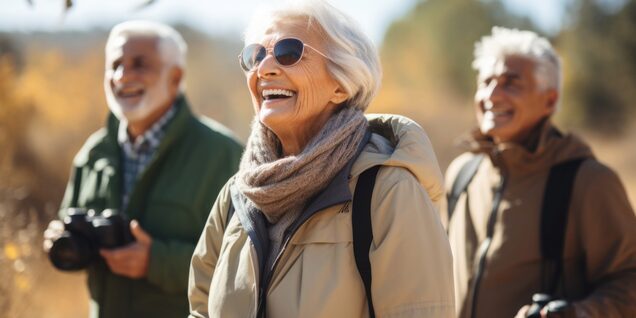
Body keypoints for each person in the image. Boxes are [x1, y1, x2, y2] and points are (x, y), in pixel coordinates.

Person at [188, 1, 455, 317]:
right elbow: (201, 309)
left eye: (289, 52)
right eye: (255, 55)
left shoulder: (388, 191)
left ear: (341, 86)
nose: (264, 68)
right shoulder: (236, 196)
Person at [42, 21, 243, 318]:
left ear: (175, 78)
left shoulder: (224, 155)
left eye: (139, 65)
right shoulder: (92, 155)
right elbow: (66, 232)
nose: (123, 76)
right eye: (115, 65)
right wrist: (60, 242)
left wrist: (156, 261)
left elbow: (244, 266)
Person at [446, 26, 636, 318]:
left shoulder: (589, 181)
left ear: (549, 100)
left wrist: (574, 314)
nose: (492, 96)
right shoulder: (462, 174)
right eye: (486, 81)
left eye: (511, 83)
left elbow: (628, 282)